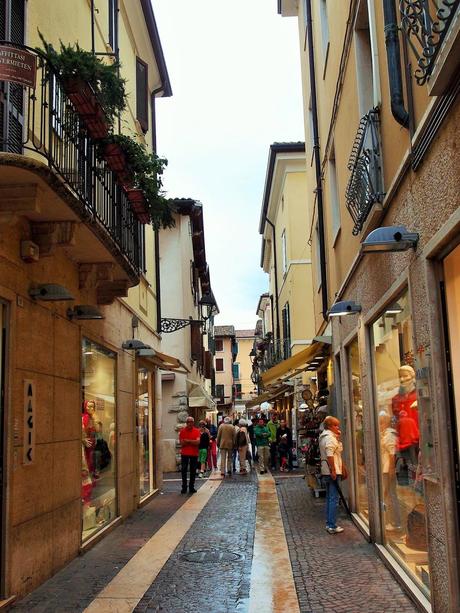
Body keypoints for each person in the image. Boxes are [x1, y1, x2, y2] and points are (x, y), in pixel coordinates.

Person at [319, 416, 347, 534]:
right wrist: (334, 470)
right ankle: (331, 525)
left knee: (330, 498)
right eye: (335, 425)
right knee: (334, 498)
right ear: (330, 426)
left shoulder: (324, 436)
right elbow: (330, 454)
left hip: (326, 471)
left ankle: (329, 523)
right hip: (331, 471)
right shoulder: (330, 438)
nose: (338, 427)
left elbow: (335, 452)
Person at [379, 412, 402, 530]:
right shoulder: (384, 434)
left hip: (388, 470)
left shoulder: (389, 435)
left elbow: (392, 454)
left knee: (391, 495)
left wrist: (392, 470)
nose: (379, 424)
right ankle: (391, 520)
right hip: (385, 468)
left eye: (381, 422)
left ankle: (396, 522)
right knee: (388, 495)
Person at [179, 416, 201, 494]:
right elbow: (182, 443)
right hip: (184, 453)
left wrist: (187, 441)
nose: (190, 424)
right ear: (186, 423)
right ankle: (184, 487)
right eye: (189, 422)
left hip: (194, 453)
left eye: (191, 422)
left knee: (193, 471)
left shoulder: (197, 431)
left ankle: (191, 487)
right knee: (184, 471)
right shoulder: (182, 431)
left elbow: (198, 442)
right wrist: (193, 442)